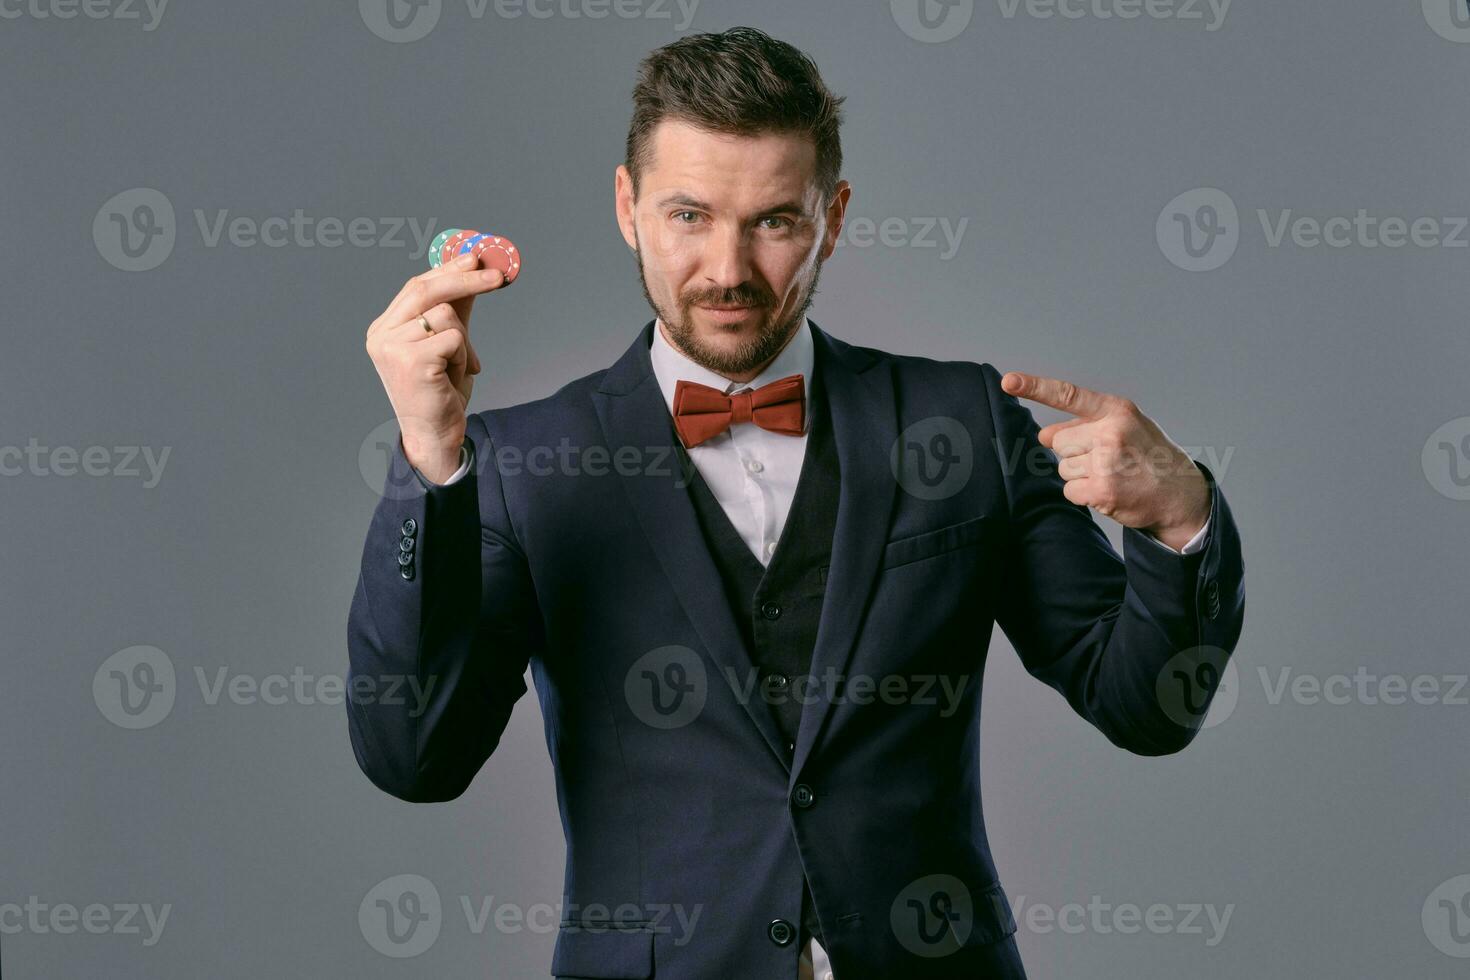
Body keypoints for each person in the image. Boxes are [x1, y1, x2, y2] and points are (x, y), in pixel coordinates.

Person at [349, 26, 1243, 980]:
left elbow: (1145, 707)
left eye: (773, 220)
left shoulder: (963, 420)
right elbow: (415, 758)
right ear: (627, 207)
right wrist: (428, 461)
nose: (728, 270)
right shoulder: (519, 462)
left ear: (835, 215)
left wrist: (1178, 519)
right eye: (689, 215)